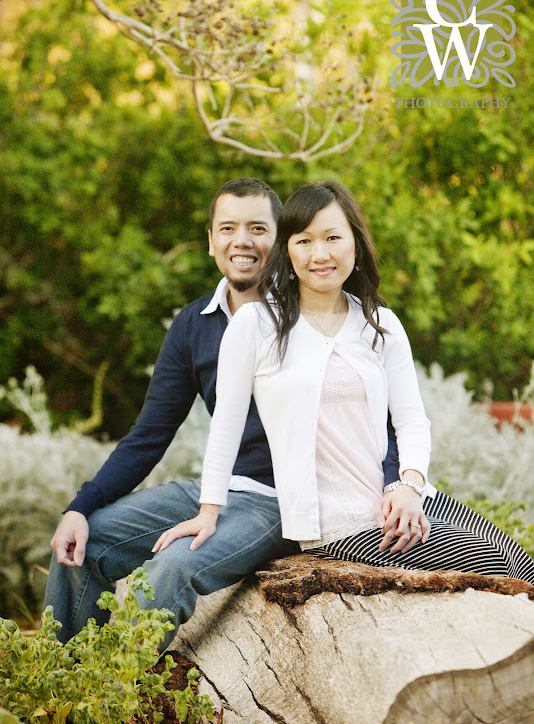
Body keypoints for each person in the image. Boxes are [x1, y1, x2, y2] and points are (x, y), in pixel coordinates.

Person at [44, 177, 407, 651]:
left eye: (259, 227)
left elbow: (380, 417)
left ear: (284, 241)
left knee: (170, 571)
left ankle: (121, 700)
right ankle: (66, 689)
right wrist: (81, 506)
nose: (243, 241)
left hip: (284, 500)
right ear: (211, 241)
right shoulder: (195, 325)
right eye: (228, 228)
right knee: (84, 543)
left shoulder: (316, 313)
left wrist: (396, 481)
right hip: (220, 490)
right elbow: (150, 434)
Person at [154, 180, 534, 584]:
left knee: (519, 562)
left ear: (355, 242)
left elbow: (411, 421)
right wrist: (208, 512)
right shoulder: (256, 324)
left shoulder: (380, 323)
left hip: (402, 497)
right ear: (287, 249)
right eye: (304, 241)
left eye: (333, 237)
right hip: (341, 524)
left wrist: (408, 486)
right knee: (488, 562)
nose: (320, 254)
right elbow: (225, 427)